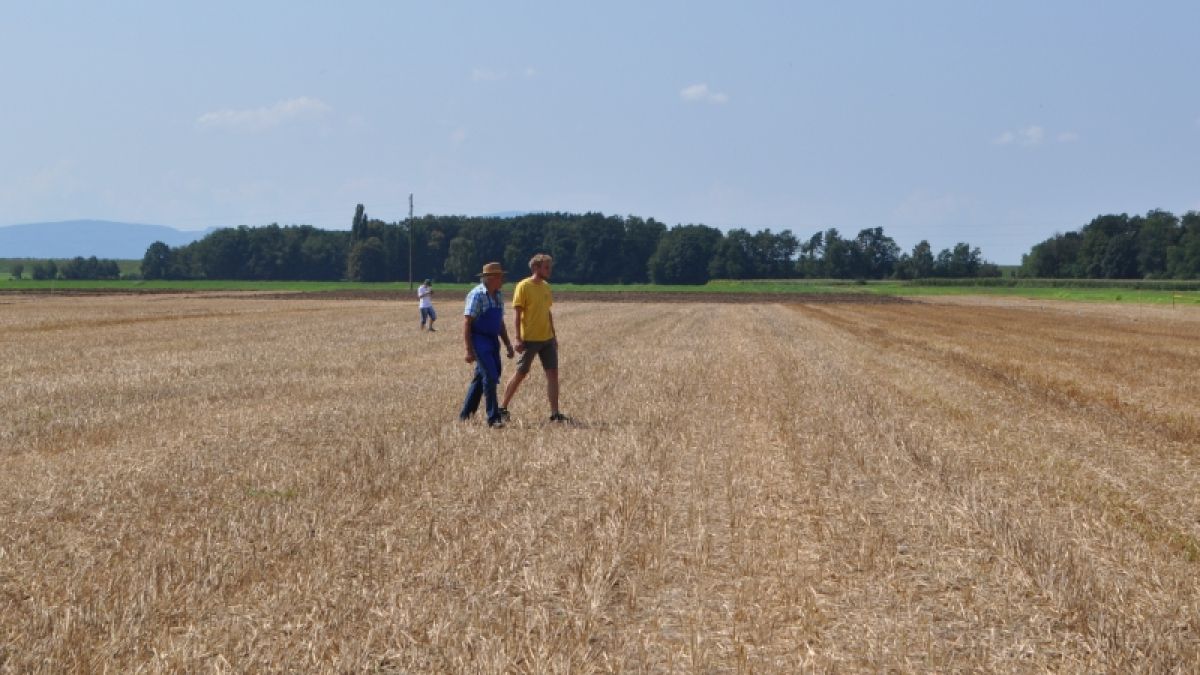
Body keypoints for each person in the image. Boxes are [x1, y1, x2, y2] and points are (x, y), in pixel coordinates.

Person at [500, 253, 569, 422]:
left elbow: (547, 312)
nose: (549, 270)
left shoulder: (546, 287)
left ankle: (555, 413)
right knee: (521, 373)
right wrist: (518, 338)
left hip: (547, 339)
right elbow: (517, 315)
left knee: (553, 374)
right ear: (535, 268)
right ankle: (502, 408)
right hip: (529, 339)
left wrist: (554, 336)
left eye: (550, 267)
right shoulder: (523, 286)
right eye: (546, 267)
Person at [460, 262, 515, 427]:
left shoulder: (498, 295)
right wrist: (469, 350)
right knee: (490, 377)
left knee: (482, 377)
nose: (502, 280)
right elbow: (467, 322)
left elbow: (500, 323)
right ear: (491, 278)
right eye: (500, 277)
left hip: (492, 340)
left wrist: (508, 344)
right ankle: (493, 418)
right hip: (479, 339)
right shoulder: (477, 295)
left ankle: (465, 416)